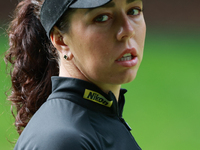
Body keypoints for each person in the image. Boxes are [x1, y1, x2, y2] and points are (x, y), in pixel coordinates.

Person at [5, 0, 146, 149]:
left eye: (134, 11)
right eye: (102, 18)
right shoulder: (62, 140)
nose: (128, 30)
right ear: (61, 40)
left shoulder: (100, 119)